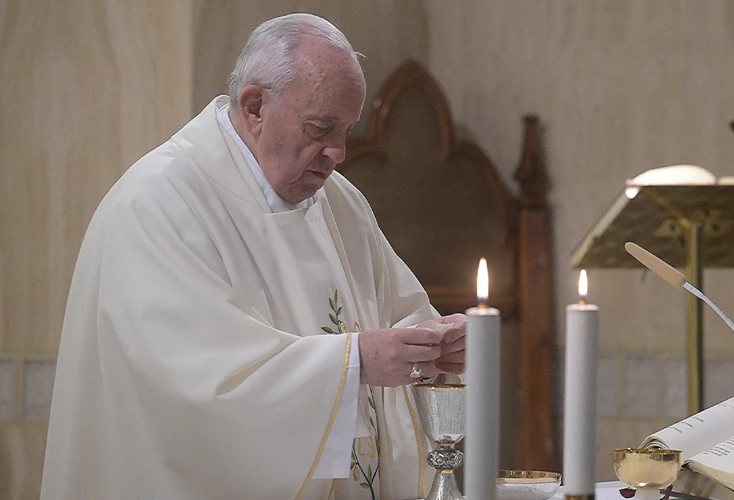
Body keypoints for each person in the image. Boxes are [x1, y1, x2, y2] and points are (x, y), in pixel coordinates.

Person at [41, 13, 466, 500]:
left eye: (347, 130)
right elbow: (195, 394)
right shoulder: (157, 203)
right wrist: (356, 365)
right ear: (255, 107)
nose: (339, 152)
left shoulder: (340, 204)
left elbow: (397, 316)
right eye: (321, 127)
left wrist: (434, 349)